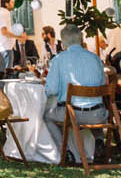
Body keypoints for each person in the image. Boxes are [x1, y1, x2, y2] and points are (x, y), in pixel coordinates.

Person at [44, 24, 109, 162]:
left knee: (47, 117)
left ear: (63, 42)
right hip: (98, 115)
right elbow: (103, 85)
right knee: (96, 108)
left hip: (72, 114)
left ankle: (66, 151)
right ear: (81, 39)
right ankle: (99, 141)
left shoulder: (58, 60)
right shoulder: (95, 58)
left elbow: (52, 90)